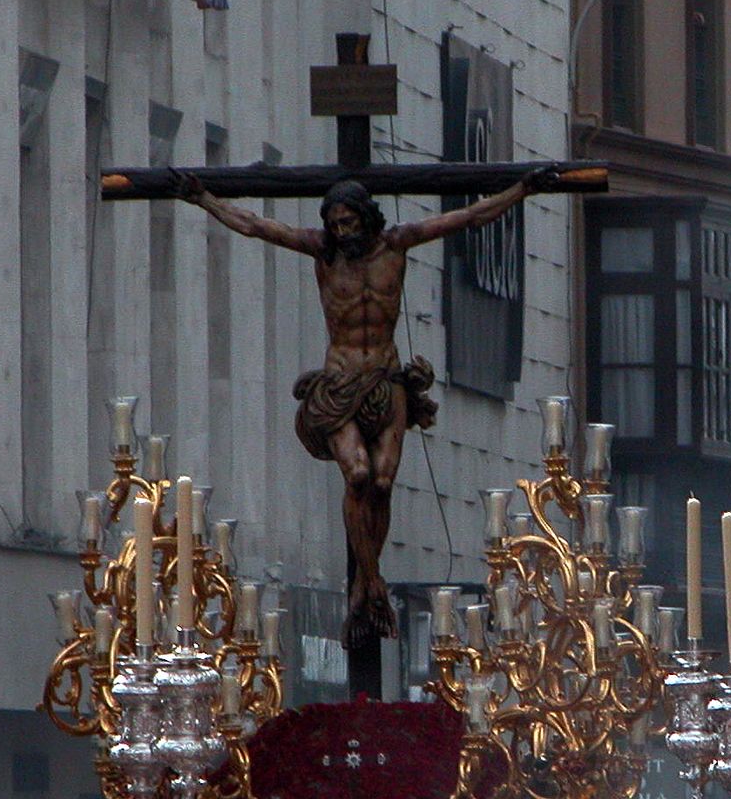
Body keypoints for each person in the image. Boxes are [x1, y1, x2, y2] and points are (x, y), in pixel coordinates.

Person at [176, 167, 559, 642]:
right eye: (335, 224)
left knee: (381, 481)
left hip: (385, 379)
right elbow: (255, 226)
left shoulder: (397, 244)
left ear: (365, 218)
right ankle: (371, 583)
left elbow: (468, 217)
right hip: (339, 381)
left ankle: (364, 584)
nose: (342, 232)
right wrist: (204, 199)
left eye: (349, 223)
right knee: (357, 474)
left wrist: (522, 189)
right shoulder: (322, 251)